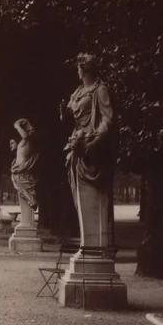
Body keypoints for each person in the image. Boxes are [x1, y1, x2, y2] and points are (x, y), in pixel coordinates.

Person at [60, 53, 116, 251]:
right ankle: (88, 248)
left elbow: (107, 119)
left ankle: (94, 249)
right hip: (76, 145)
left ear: (85, 69)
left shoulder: (99, 90)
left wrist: (96, 140)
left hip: (90, 148)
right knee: (80, 197)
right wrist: (63, 114)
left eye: (78, 67)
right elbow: (70, 116)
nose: (77, 70)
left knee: (91, 197)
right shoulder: (78, 91)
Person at [9, 118, 40, 211]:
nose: (10, 146)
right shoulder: (20, 148)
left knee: (25, 190)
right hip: (19, 172)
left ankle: (32, 201)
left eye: (12, 143)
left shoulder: (24, 142)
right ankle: (31, 200)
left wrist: (17, 125)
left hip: (22, 173)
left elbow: (25, 135)